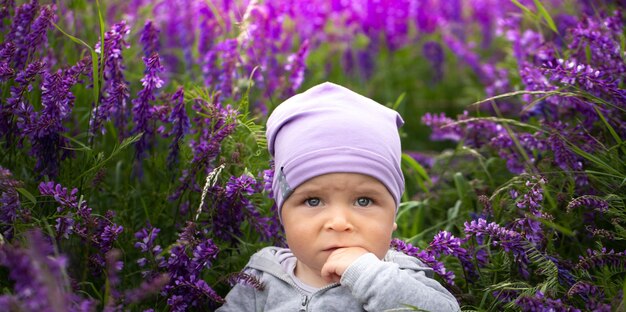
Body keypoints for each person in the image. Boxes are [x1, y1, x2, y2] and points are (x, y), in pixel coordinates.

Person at [217, 82, 461, 311]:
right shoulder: (262, 277)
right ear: (283, 216)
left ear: (393, 216)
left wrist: (367, 274)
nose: (339, 222)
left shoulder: (400, 276)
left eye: (363, 201)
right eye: (313, 201)